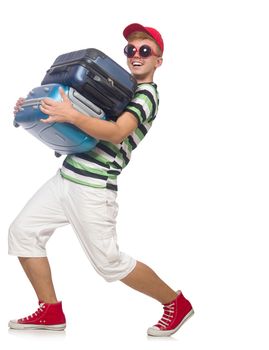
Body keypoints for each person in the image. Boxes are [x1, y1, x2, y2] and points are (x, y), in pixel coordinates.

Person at [8, 23, 194, 337]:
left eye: (145, 50)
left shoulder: (147, 96)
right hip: (66, 176)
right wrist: (37, 107)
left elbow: (118, 132)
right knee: (22, 232)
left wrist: (71, 116)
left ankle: (176, 303)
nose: (136, 55)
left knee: (109, 263)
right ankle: (51, 310)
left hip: (93, 187)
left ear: (158, 60)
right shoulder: (118, 87)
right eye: (131, 50)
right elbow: (77, 120)